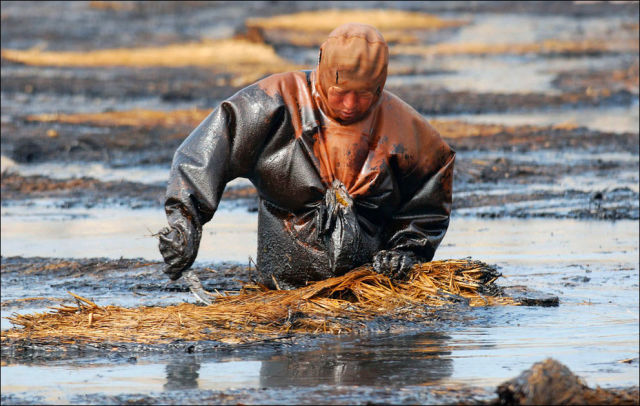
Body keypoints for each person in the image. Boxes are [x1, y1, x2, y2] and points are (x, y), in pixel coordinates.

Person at [158, 23, 455, 289]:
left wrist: (408, 252)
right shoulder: (273, 104)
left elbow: (428, 202)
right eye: (340, 91)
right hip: (279, 288)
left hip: (369, 289)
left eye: (364, 94)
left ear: (381, 85)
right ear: (323, 72)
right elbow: (205, 153)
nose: (350, 105)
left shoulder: (408, 133)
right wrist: (185, 220)